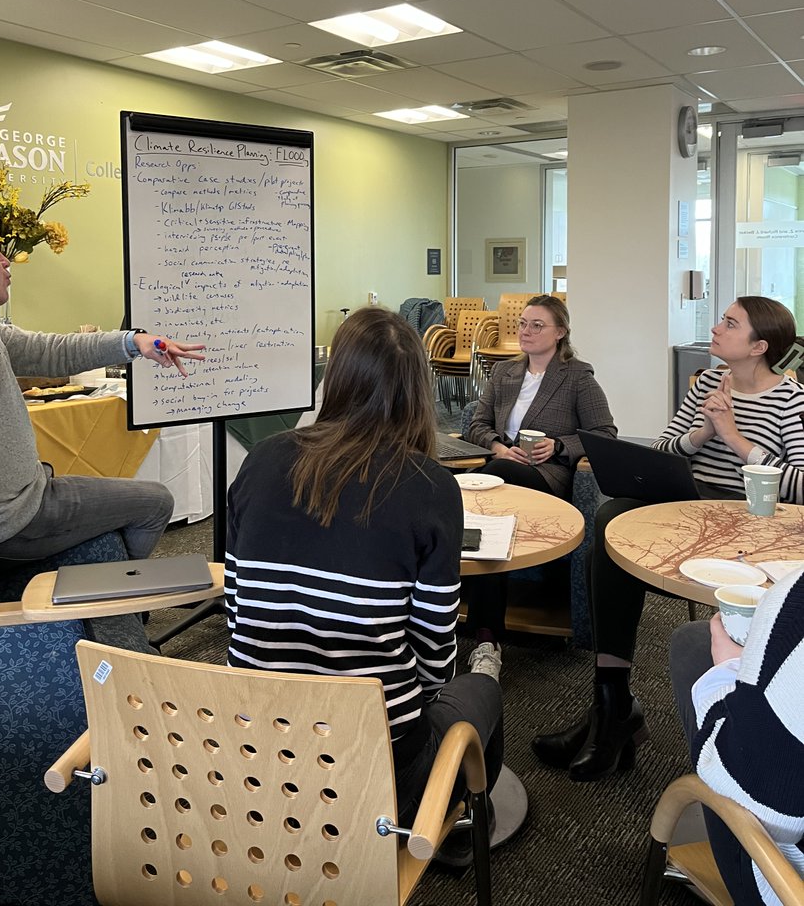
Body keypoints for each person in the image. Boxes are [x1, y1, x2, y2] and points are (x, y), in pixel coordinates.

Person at [224, 306, 504, 834]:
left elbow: (237, 608)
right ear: (418, 389)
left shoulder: (259, 460)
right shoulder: (431, 487)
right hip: (376, 769)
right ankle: (463, 824)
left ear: (336, 378)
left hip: (257, 746)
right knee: (482, 686)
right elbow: (434, 656)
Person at [0, 210, 206, 665]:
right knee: (155, 501)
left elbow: (51, 351)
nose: (6, 260)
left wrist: (133, 342)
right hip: (7, 520)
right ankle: (122, 613)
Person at [533, 296, 804, 782]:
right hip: (691, 506)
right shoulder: (707, 384)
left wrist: (734, 437)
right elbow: (663, 447)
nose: (716, 328)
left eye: (730, 323)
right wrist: (701, 434)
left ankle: (613, 716)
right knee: (611, 521)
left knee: (608, 545)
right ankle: (611, 701)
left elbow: (800, 484)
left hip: (750, 523)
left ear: (759, 346)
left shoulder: (790, 399)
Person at [464, 294, 616, 644]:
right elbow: (476, 424)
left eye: (537, 325)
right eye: (522, 324)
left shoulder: (577, 376)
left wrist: (559, 446)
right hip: (501, 467)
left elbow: (605, 433)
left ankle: (485, 633)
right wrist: (499, 447)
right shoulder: (504, 372)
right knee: (480, 501)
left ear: (560, 332)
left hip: (545, 476)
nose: (525, 331)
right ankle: (480, 626)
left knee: (495, 482)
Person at [669, 569, 804, 905]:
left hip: (786, 885)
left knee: (693, 646)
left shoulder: (796, 605)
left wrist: (728, 672)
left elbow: (770, 810)